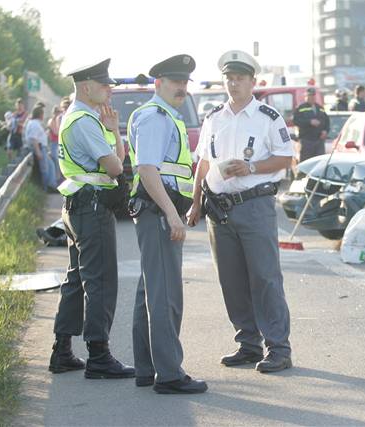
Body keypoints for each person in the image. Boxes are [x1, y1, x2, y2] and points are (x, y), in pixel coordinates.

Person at [187, 50, 293, 373]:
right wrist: (194, 203)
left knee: (264, 277)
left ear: (252, 82)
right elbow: (203, 163)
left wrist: (251, 167)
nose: (233, 83)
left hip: (255, 205)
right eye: (229, 78)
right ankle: (248, 343)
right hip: (219, 209)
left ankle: (279, 347)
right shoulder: (214, 118)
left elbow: (285, 158)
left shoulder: (268, 118)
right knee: (230, 279)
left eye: (240, 78)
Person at [127, 54, 207, 394]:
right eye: (175, 81)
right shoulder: (156, 117)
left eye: (185, 82)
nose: (181, 87)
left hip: (156, 212)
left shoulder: (164, 116)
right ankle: (170, 374)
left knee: (151, 291)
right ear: (158, 83)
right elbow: (148, 169)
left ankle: (148, 368)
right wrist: (173, 215)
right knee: (165, 296)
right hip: (159, 213)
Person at [49, 58, 134, 380]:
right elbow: (115, 167)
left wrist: (113, 130)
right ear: (86, 87)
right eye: (104, 84)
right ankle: (99, 356)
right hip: (92, 208)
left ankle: (62, 351)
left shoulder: (78, 117)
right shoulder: (84, 120)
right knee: (99, 281)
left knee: (76, 280)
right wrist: (112, 137)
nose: (109, 89)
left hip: (76, 206)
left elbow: (117, 159)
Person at [24, 105, 57, 192]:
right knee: (45, 169)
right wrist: (38, 152)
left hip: (42, 147)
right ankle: (46, 189)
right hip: (39, 148)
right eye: (43, 113)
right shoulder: (34, 124)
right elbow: (34, 139)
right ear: (40, 114)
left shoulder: (35, 123)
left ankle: (51, 185)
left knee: (51, 166)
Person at [293, 87, 330, 162]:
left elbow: (327, 121)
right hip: (307, 141)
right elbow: (296, 121)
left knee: (319, 163)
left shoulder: (320, 108)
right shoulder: (301, 108)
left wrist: (325, 131)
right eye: (309, 96)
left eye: (313, 96)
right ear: (305, 97)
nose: (312, 97)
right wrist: (309, 122)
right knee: (306, 162)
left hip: (319, 141)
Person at [47, 105, 62, 182]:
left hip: (57, 143)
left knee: (59, 162)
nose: (59, 114)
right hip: (54, 143)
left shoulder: (57, 120)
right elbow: (56, 132)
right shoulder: (52, 121)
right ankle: (57, 179)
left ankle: (58, 179)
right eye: (58, 112)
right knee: (56, 161)